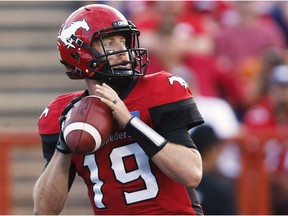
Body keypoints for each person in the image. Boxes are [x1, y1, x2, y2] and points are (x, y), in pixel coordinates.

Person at [33, 4, 204, 215]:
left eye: (123, 41)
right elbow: (43, 210)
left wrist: (130, 123)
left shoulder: (158, 90)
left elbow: (192, 173)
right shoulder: (65, 113)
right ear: (79, 52)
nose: (123, 52)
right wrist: (63, 146)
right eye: (110, 44)